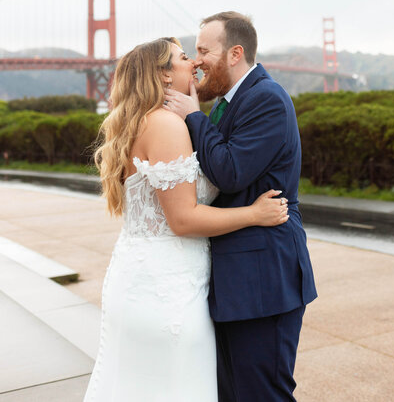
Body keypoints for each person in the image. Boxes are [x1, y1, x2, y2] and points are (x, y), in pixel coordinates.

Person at [83, 37, 289, 402]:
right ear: (163, 76)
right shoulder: (164, 124)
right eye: (182, 58)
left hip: (148, 277)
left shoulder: (146, 120)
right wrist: (255, 213)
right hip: (167, 288)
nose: (193, 63)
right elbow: (182, 218)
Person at [164, 12, 318, 402]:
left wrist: (194, 117)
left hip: (265, 280)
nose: (196, 61)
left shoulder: (266, 97)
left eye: (203, 51)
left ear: (235, 53)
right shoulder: (226, 104)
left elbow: (230, 172)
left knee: (263, 394)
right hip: (237, 284)